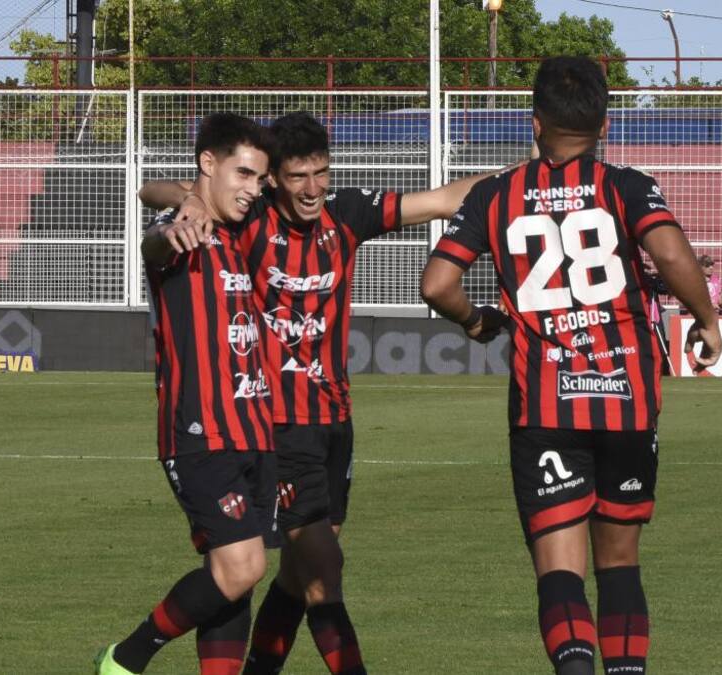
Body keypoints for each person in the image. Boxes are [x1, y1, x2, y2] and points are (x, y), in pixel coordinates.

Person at [140, 111, 519, 675]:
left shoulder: (346, 215)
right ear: (274, 181)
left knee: (298, 575)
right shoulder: (251, 219)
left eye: (322, 173)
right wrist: (185, 200)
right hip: (276, 422)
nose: (313, 189)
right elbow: (158, 192)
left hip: (335, 422)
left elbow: (442, 200)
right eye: (298, 177)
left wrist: (532, 175)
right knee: (322, 573)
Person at [420, 56, 722, 675]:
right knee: (620, 564)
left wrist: (477, 322)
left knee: (559, 571)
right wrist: (705, 319)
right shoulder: (627, 185)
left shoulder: (494, 195)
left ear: (535, 124)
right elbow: (670, 253)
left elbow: (436, 284)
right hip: (627, 397)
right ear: (604, 124)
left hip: (544, 403)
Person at [96, 113, 278, 675]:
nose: (252, 189)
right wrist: (178, 211)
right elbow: (154, 231)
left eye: (259, 179)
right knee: (241, 567)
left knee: (234, 575)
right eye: (243, 174)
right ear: (207, 164)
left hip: (257, 428)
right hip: (200, 431)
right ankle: (126, 657)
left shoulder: (241, 227)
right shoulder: (182, 228)